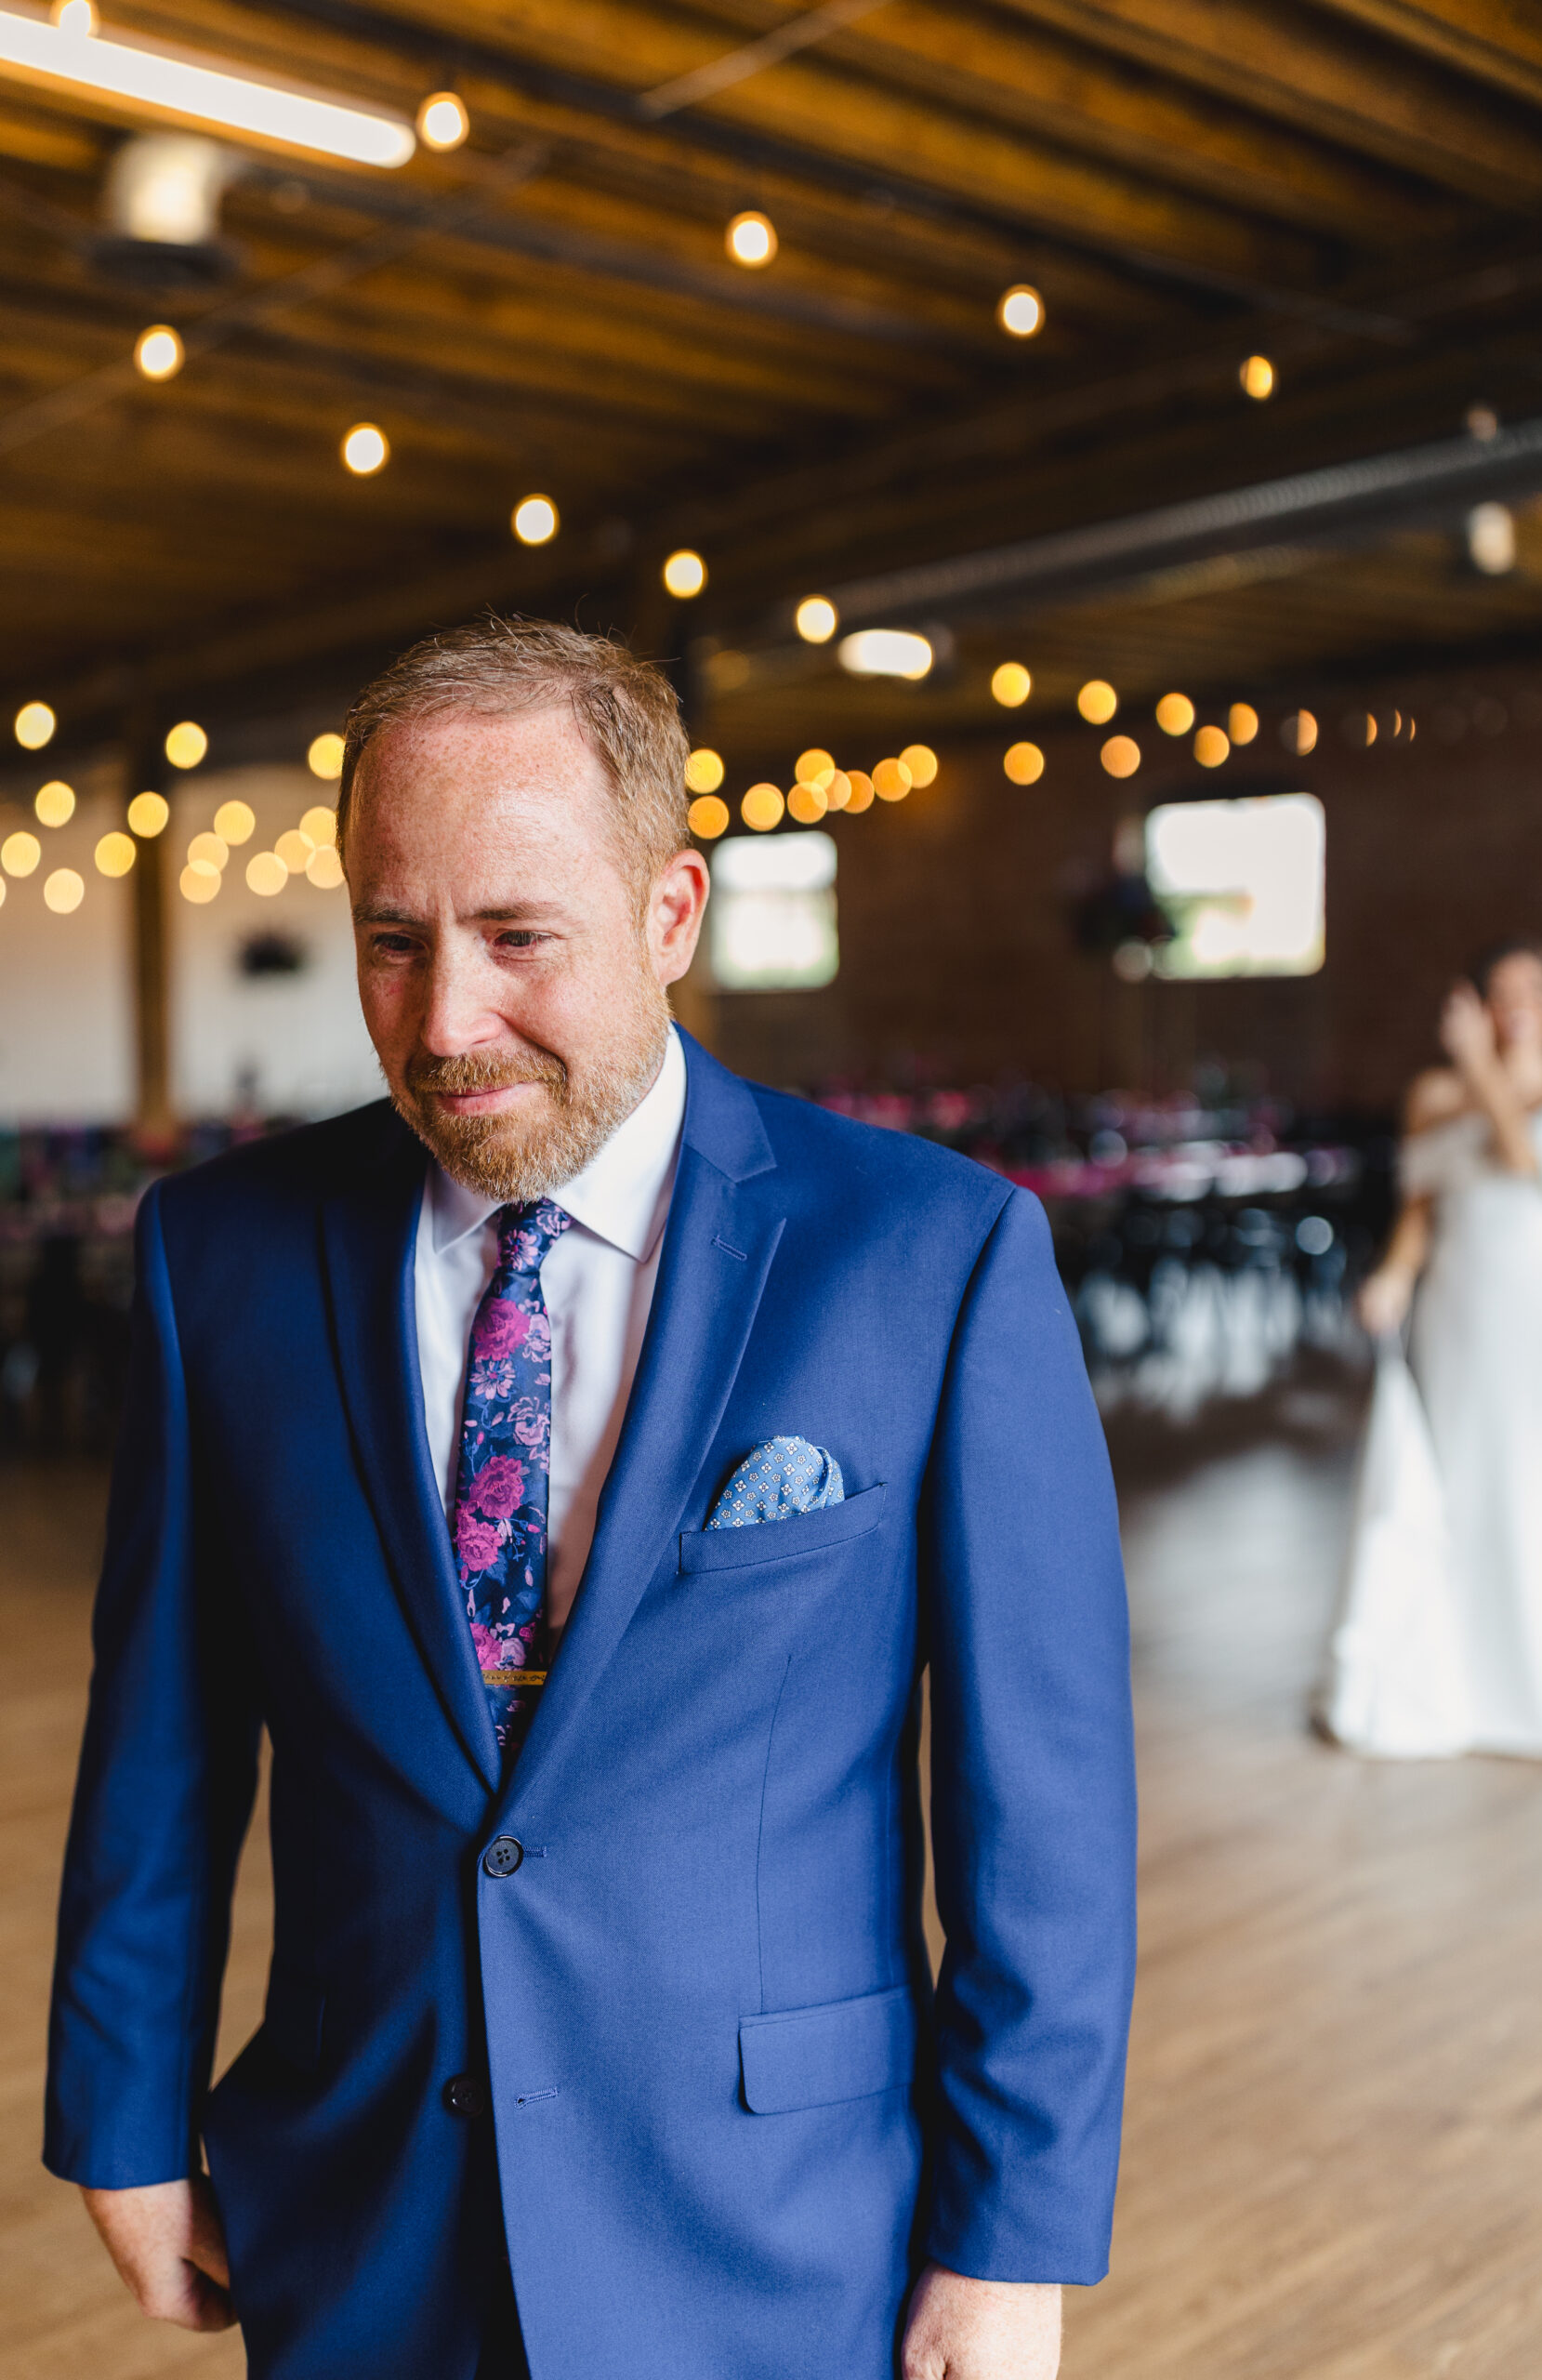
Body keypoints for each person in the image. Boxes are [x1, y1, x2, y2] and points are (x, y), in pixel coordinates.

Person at [45, 620, 1136, 2380]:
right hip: (357, 2190)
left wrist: (1012, 2234)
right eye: (391, 942)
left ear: (671, 916)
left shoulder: (930, 1256)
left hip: (776, 2216)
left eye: (515, 938)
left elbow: (1045, 1805)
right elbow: (162, 1728)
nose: (444, 1021)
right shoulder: (218, 1259)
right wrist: (122, 2109)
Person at [1324, 937, 1542, 1760]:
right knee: (1452, 1479)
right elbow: (1420, 1206)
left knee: (1531, 1478)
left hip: (1540, 1308)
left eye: (1530, 990)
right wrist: (1393, 1277)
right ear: (1472, 1000)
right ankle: (1452, 1678)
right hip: (1455, 1309)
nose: (1514, 1004)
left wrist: (1482, 1069)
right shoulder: (1432, 1093)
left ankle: (1539, 1688)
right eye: (1497, 990)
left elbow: (1529, 1163)